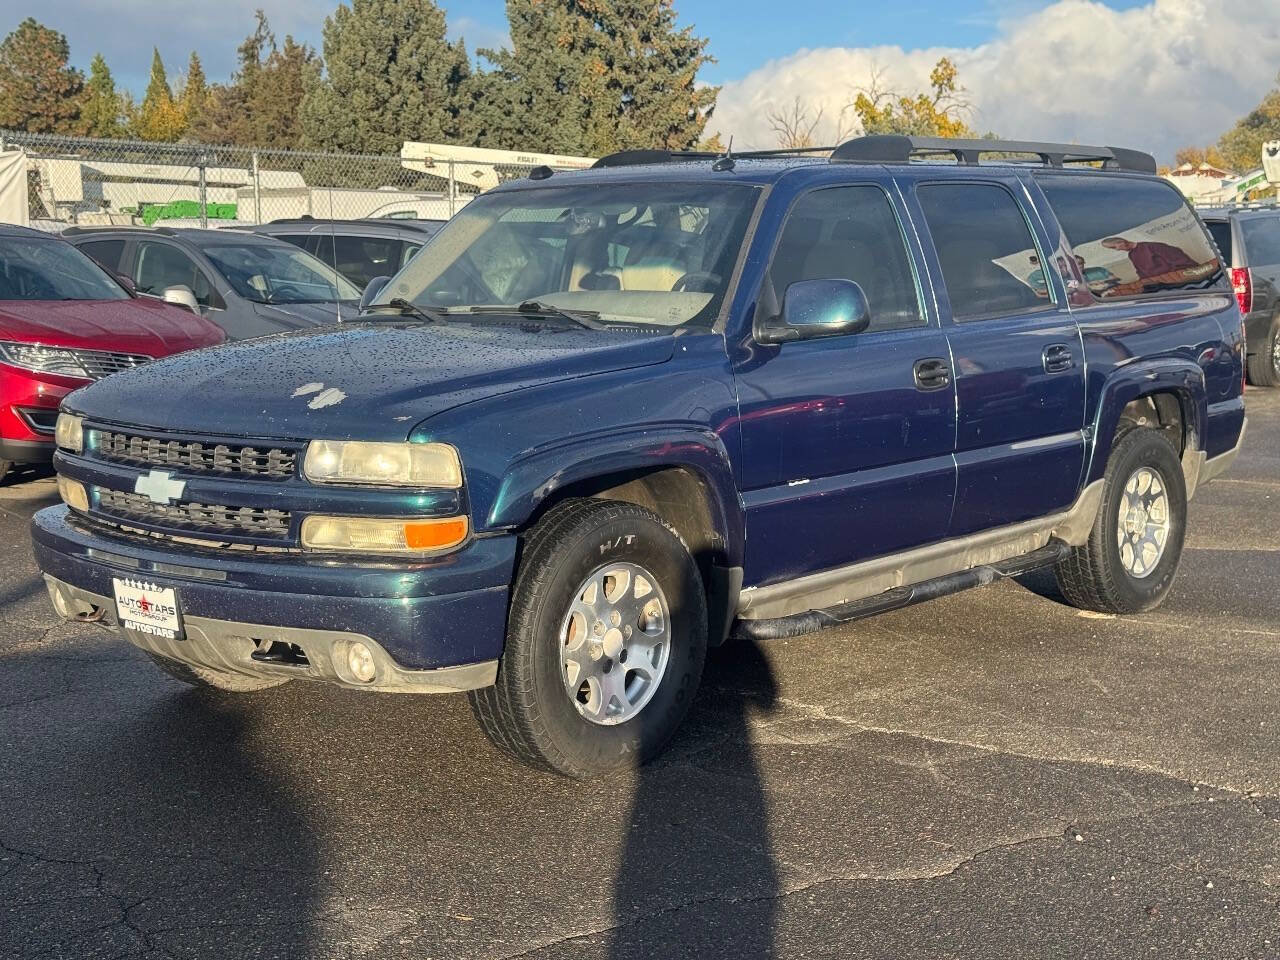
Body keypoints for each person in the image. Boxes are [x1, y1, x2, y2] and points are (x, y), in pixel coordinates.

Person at [1101, 235, 1198, 280]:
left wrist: (1171, 277)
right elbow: (1141, 273)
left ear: (1121, 242)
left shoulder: (1152, 246)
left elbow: (1181, 260)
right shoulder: (1131, 255)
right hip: (1158, 283)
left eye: (1114, 247)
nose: (1117, 250)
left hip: (1175, 278)